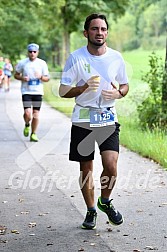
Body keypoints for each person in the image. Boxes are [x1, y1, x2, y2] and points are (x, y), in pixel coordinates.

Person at [59, 13, 129, 230]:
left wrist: (118, 94)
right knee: (86, 169)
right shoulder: (76, 58)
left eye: (103, 29)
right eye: (95, 29)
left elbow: (125, 86)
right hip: (83, 118)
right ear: (86, 32)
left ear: (107, 32)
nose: (100, 33)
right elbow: (63, 91)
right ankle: (90, 211)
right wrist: (82, 88)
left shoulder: (116, 57)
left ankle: (105, 201)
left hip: (108, 116)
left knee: (111, 165)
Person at [14, 43, 50, 142]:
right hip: (26, 92)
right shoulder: (22, 63)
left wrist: (41, 77)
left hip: (38, 92)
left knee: (36, 114)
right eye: (30, 52)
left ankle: (33, 134)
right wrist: (22, 78)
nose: (32, 54)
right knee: (27, 113)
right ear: (28, 52)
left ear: (38, 52)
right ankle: (26, 124)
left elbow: (47, 78)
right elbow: (16, 75)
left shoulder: (42, 63)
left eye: (34, 52)